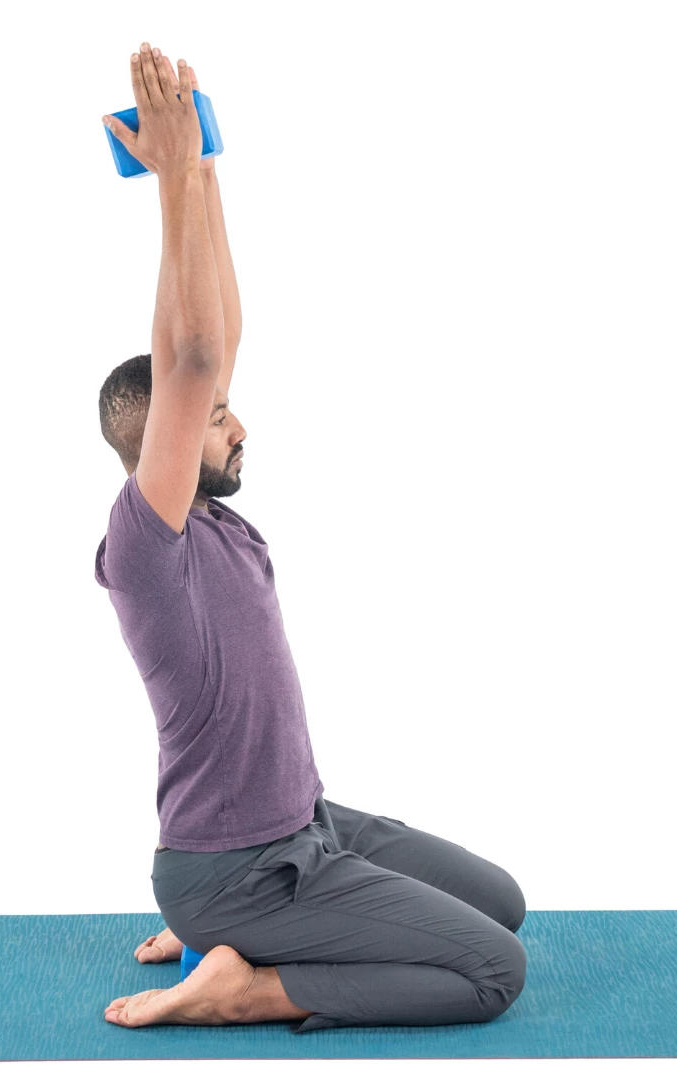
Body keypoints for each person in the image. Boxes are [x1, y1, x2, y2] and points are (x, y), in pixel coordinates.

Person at [93, 43, 527, 1034]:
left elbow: (217, 342)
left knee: (500, 902)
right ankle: (247, 983)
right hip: (237, 868)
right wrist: (169, 185)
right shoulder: (146, 546)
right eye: (212, 418)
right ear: (153, 444)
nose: (235, 423)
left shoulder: (219, 527)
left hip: (304, 829)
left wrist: (197, 167)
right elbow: (190, 356)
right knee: (493, 972)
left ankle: (219, 939)